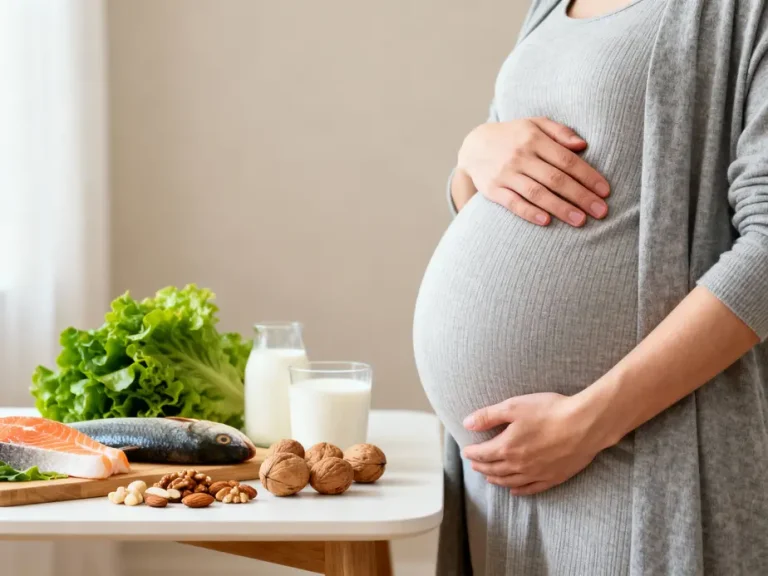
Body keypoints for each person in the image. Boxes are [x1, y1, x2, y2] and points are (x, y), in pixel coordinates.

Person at [412, 0, 768, 574]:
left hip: (630, 455)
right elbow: (502, 200)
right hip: (502, 479)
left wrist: (588, 424)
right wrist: (473, 154)